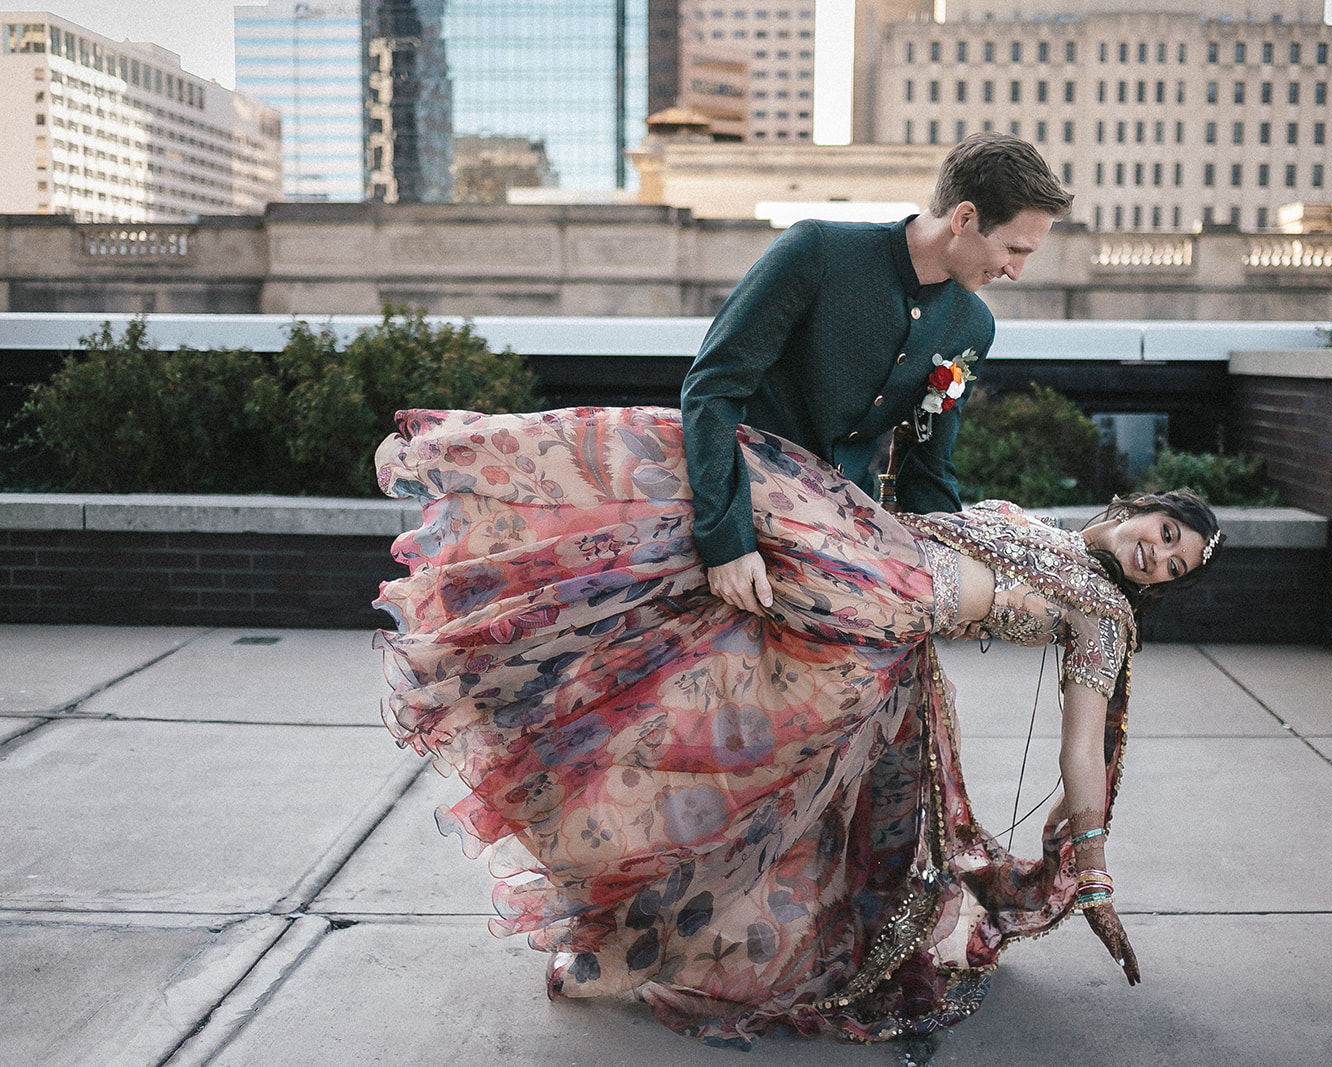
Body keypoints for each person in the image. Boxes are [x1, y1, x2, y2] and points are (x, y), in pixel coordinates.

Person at [373, 404, 1223, 1048]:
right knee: (683, 547)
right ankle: (504, 606)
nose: (1161, 555)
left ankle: (652, 903)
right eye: (1169, 533)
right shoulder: (1042, 530)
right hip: (860, 560)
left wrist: (1097, 875)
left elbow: (1082, 748)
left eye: (1176, 567)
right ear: (1142, 505)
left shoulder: (1106, 617)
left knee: (758, 779)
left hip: (875, 608)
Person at [680, 131, 1073, 618]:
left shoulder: (973, 325)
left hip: (842, 541)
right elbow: (713, 389)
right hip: (737, 523)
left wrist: (946, 580)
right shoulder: (817, 251)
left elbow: (929, 466)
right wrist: (727, 545)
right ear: (965, 218)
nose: (1016, 271)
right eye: (1015, 249)